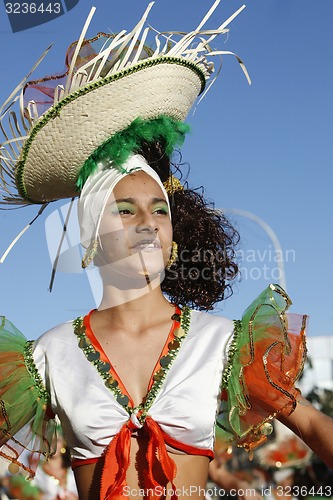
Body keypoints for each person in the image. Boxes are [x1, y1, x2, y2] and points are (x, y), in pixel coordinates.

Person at [1, 3, 333, 500]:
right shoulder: (48, 356)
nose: (148, 225)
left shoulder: (224, 342)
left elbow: (312, 424)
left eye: (160, 211)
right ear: (92, 235)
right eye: (125, 210)